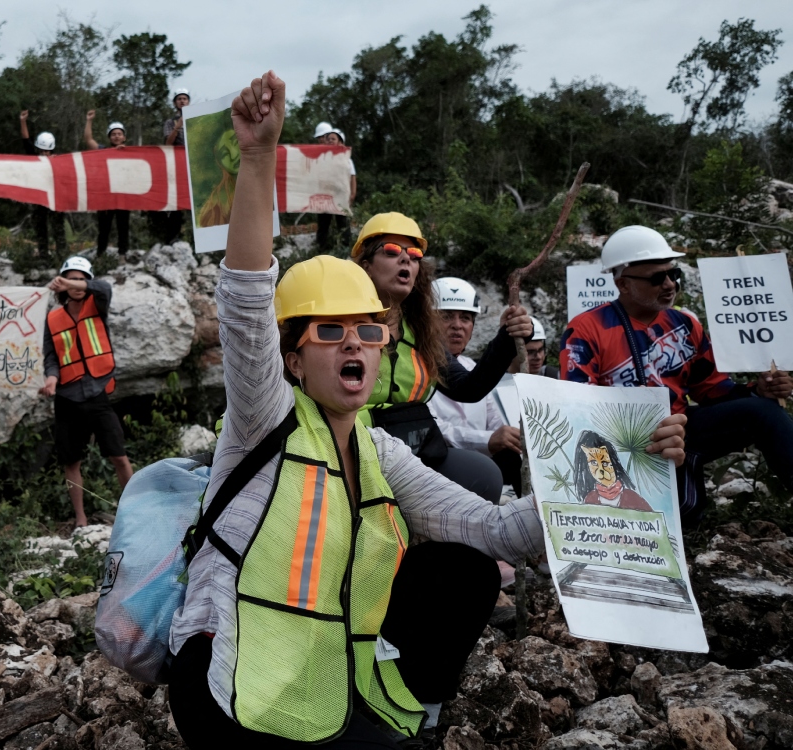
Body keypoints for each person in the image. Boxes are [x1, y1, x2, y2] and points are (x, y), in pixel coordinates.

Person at [166, 70, 687, 749]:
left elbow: (498, 533)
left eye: (367, 329)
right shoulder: (264, 418)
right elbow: (243, 303)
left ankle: (409, 714)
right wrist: (259, 155)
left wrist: (626, 461)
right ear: (292, 358)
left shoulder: (378, 454)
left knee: (466, 567)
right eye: (327, 331)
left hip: (316, 668)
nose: (354, 342)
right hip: (226, 677)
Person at [560, 224, 793, 521]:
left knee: (764, 412)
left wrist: (758, 391)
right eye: (657, 278)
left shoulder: (685, 325)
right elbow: (576, 406)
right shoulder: (586, 329)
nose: (669, 284)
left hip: (681, 429)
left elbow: (711, 389)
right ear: (623, 284)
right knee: (682, 517)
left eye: (674, 274)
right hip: (623, 443)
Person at [352, 212, 532, 503]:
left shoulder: (421, 331)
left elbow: (468, 388)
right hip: (352, 445)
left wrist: (508, 338)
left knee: (485, 475)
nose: (406, 260)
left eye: (414, 255)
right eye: (391, 251)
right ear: (365, 266)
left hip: (412, 447)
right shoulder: (341, 321)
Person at [39, 256, 133, 527]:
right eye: (70, 278)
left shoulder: (98, 302)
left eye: (81, 279)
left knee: (119, 456)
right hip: (67, 397)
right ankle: (81, 520)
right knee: (71, 461)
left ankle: (133, 510)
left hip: (97, 393)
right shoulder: (53, 318)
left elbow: (104, 287)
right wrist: (51, 380)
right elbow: (51, 358)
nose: (77, 285)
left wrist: (69, 282)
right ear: (63, 286)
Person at [426, 277, 523, 495]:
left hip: (485, 476)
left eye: (466, 318)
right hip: (440, 476)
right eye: (447, 316)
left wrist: (512, 435)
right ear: (427, 321)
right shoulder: (417, 370)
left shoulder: (473, 369)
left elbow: (495, 421)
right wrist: (488, 440)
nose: (457, 325)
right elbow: (435, 430)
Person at [20, 110, 66, 261]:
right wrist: (23, 121)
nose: (44, 153)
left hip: (55, 198)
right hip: (38, 198)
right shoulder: (33, 157)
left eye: (47, 151)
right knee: (40, 227)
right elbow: (26, 140)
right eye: (42, 150)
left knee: (58, 228)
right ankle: (43, 254)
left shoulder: (60, 161)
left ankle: (61, 255)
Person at [82, 110, 130, 255]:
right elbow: (89, 140)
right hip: (105, 196)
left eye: (119, 134)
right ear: (109, 137)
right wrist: (89, 120)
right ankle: (101, 254)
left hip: (123, 195)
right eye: (113, 134)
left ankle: (122, 254)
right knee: (104, 227)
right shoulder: (102, 150)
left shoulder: (131, 152)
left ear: (124, 137)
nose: (116, 136)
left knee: (123, 226)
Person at [574, 430, 653, 511]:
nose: (601, 469)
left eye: (605, 463)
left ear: (614, 464)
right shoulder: (590, 499)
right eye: (594, 462)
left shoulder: (632, 498)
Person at [156, 88, 190, 244]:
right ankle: (173, 237)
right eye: (179, 99)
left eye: (184, 98)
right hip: (177, 167)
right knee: (177, 201)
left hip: (195, 165)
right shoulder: (170, 122)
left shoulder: (197, 119)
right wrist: (179, 125)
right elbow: (168, 143)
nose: (182, 101)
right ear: (175, 103)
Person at [316, 127, 355, 252]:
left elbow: (352, 178)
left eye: (333, 139)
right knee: (323, 224)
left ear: (339, 142)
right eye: (328, 139)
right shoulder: (322, 158)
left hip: (340, 197)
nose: (330, 141)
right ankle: (320, 249)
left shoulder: (347, 159)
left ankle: (346, 248)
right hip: (325, 196)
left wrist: (352, 194)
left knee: (342, 223)